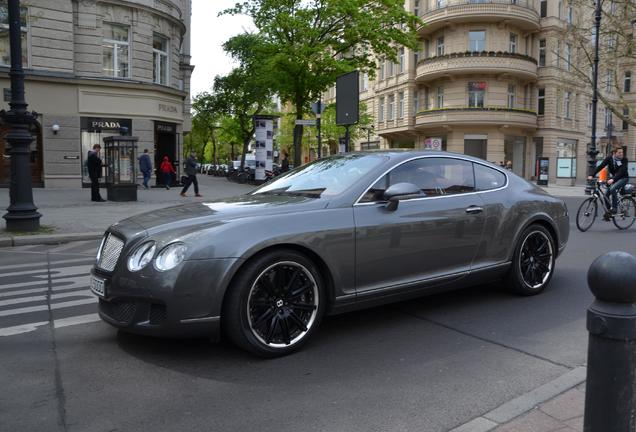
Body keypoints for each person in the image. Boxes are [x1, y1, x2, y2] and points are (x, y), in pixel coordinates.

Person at [588, 147, 630, 214]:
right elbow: (601, 166)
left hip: (623, 178)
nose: (621, 154)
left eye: (622, 152)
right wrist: (592, 175)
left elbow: (622, 171)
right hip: (614, 179)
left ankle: (614, 208)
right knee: (606, 194)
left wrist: (613, 179)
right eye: (619, 152)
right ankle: (609, 211)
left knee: (613, 189)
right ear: (614, 153)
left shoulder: (624, 160)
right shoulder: (609, 158)